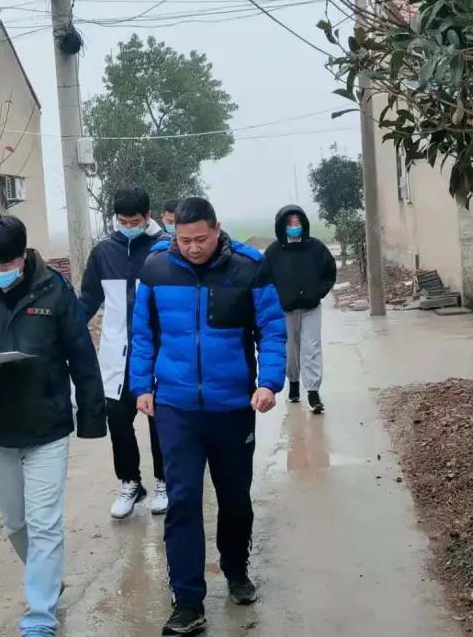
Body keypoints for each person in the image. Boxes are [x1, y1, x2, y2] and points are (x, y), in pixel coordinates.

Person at [0, 215, 106, 637]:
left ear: (22, 256)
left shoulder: (53, 290)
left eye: (5, 264)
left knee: (44, 522)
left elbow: (81, 356)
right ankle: (46, 578)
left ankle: (40, 617)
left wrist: (91, 416)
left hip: (48, 425)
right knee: (16, 523)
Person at [129, 197, 287, 636]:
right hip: (176, 407)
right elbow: (142, 333)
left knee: (235, 496)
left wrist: (269, 382)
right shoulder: (156, 269)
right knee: (182, 501)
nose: (193, 247)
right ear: (174, 234)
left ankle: (236, 568)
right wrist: (141, 385)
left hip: (232, 405)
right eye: (185, 240)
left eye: (201, 238)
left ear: (218, 228)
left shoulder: (248, 267)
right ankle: (188, 601)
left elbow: (272, 330)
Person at [80, 187, 171, 519]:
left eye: (134, 221)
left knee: (159, 419)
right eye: (122, 221)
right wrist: (65, 330)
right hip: (117, 352)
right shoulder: (104, 252)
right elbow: (88, 299)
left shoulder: (165, 248)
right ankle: (130, 482)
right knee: (118, 420)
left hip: (158, 349)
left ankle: (164, 481)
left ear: (147, 216)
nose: (128, 226)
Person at [261, 204, 337, 413]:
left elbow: (329, 271)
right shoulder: (274, 252)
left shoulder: (315, 248)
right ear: (282, 226)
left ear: (303, 224)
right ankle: (293, 382)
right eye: (290, 223)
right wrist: (277, 300)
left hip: (311, 308)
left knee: (311, 347)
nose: (294, 227)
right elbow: (264, 280)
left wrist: (318, 292)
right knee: (291, 350)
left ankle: (313, 391)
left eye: (297, 223)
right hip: (285, 310)